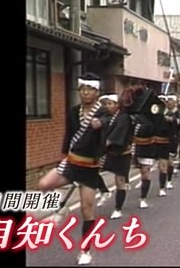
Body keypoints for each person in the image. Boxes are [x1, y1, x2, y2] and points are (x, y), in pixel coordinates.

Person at [38, 73, 107, 265]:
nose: (85, 93)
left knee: (87, 210)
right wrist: (62, 155)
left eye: (90, 89)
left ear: (97, 92)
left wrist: (99, 124)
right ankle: (62, 208)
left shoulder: (103, 112)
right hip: (71, 162)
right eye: (82, 89)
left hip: (89, 168)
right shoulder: (74, 111)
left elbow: (108, 125)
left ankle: (85, 251)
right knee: (44, 184)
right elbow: (68, 135)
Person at [98, 94, 133, 220]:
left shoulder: (124, 118)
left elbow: (118, 134)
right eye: (106, 104)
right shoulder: (106, 117)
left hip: (121, 153)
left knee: (120, 181)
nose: (108, 106)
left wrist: (106, 142)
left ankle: (118, 208)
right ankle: (104, 191)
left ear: (118, 105)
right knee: (92, 170)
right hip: (108, 153)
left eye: (110, 104)